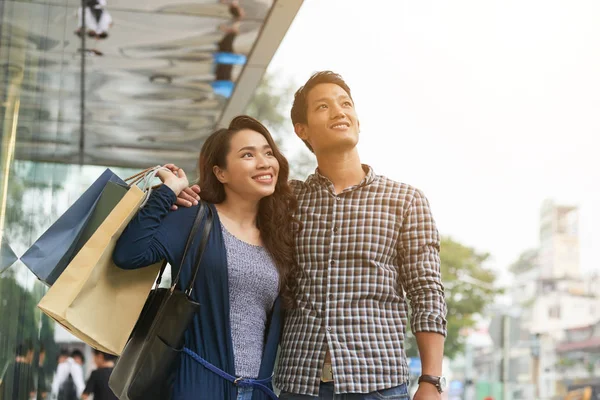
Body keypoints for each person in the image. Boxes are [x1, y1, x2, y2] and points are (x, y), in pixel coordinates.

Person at [176, 71, 448, 399]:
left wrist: (431, 380)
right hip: (299, 384)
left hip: (377, 383)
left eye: (345, 103)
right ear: (301, 130)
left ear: (358, 121)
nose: (339, 111)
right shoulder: (284, 201)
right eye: (323, 106)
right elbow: (233, 212)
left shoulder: (406, 200)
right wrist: (189, 196)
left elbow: (426, 292)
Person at [113, 115, 299, 400]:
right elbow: (129, 253)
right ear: (220, 173)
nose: (264, 162)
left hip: (258, 391)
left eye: (268, 152)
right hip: (198, 387)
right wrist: (167, 194)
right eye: (248, 155)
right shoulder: (195, 219)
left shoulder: (279, 235)